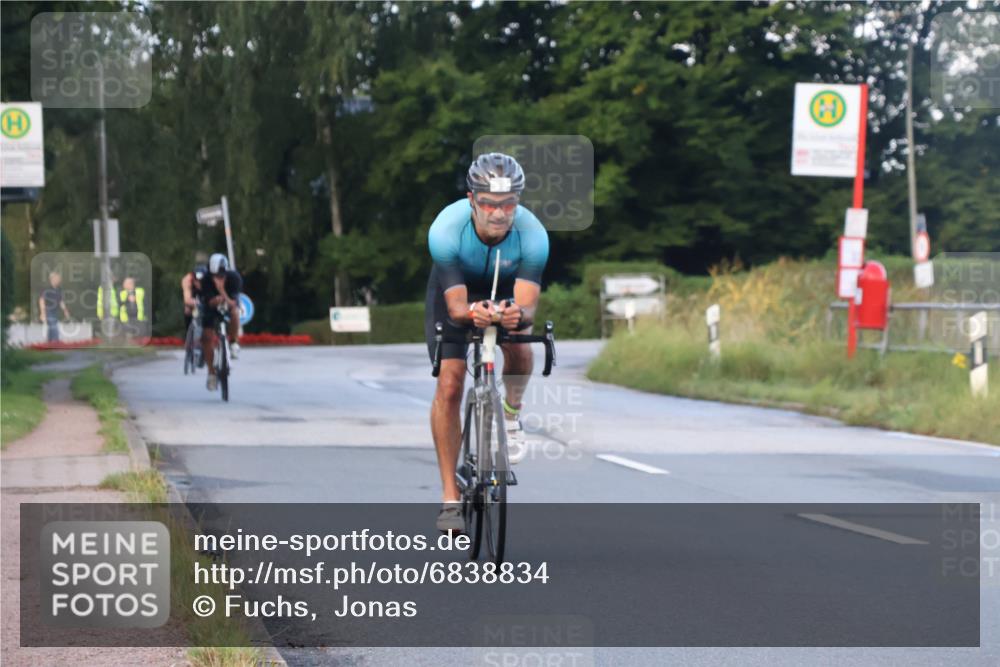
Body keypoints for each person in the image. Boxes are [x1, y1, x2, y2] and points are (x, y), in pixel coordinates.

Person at [426, 152, 549, 532]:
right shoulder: (445, 230)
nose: (499, 213)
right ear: (471, 200)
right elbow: (459, 309)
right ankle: (450, 498)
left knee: (520, 345)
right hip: (456, 292)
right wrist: (472, 314)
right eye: (489, 204)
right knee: (450, 382)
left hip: (503, 289)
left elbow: (527, 308)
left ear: (519, 201)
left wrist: (517, 316)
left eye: (508, 203)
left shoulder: (534, 236)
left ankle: (511, 416)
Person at [200, 253, 242, 391]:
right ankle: (211, 373)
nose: (218, 278)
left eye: (221, 275)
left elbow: (233, 303)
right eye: (215, 276)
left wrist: (221, 290)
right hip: (212, 307)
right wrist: (214, 300)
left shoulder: (234, 278)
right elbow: (208, 301)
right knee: (206, 336)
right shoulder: (206, 279)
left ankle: (234, 343)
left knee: (235, 313)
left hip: (228, 304)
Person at [39, 271, 71, 342]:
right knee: (54, 326)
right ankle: (55, 342)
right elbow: (42, 300)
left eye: (59, 278)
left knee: (51, 327)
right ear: (52, 279)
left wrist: (65, 311)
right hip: (48, 311)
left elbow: (61, 301)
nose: (59, 280)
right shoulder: (46, 289)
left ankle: (50, 344)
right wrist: (43, 313)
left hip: (55, 311)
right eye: (57, 278)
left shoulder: (59, 289)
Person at [118, 275, 148, 342]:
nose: (123, 284)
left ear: (130, 284)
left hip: (139, 318)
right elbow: (119, 304)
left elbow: (145, 303)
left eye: (125, 283)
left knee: (139, 337)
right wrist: (127, 300)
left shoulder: (140, 291)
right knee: (128, 338)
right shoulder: (121, 293)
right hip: (126, 319)